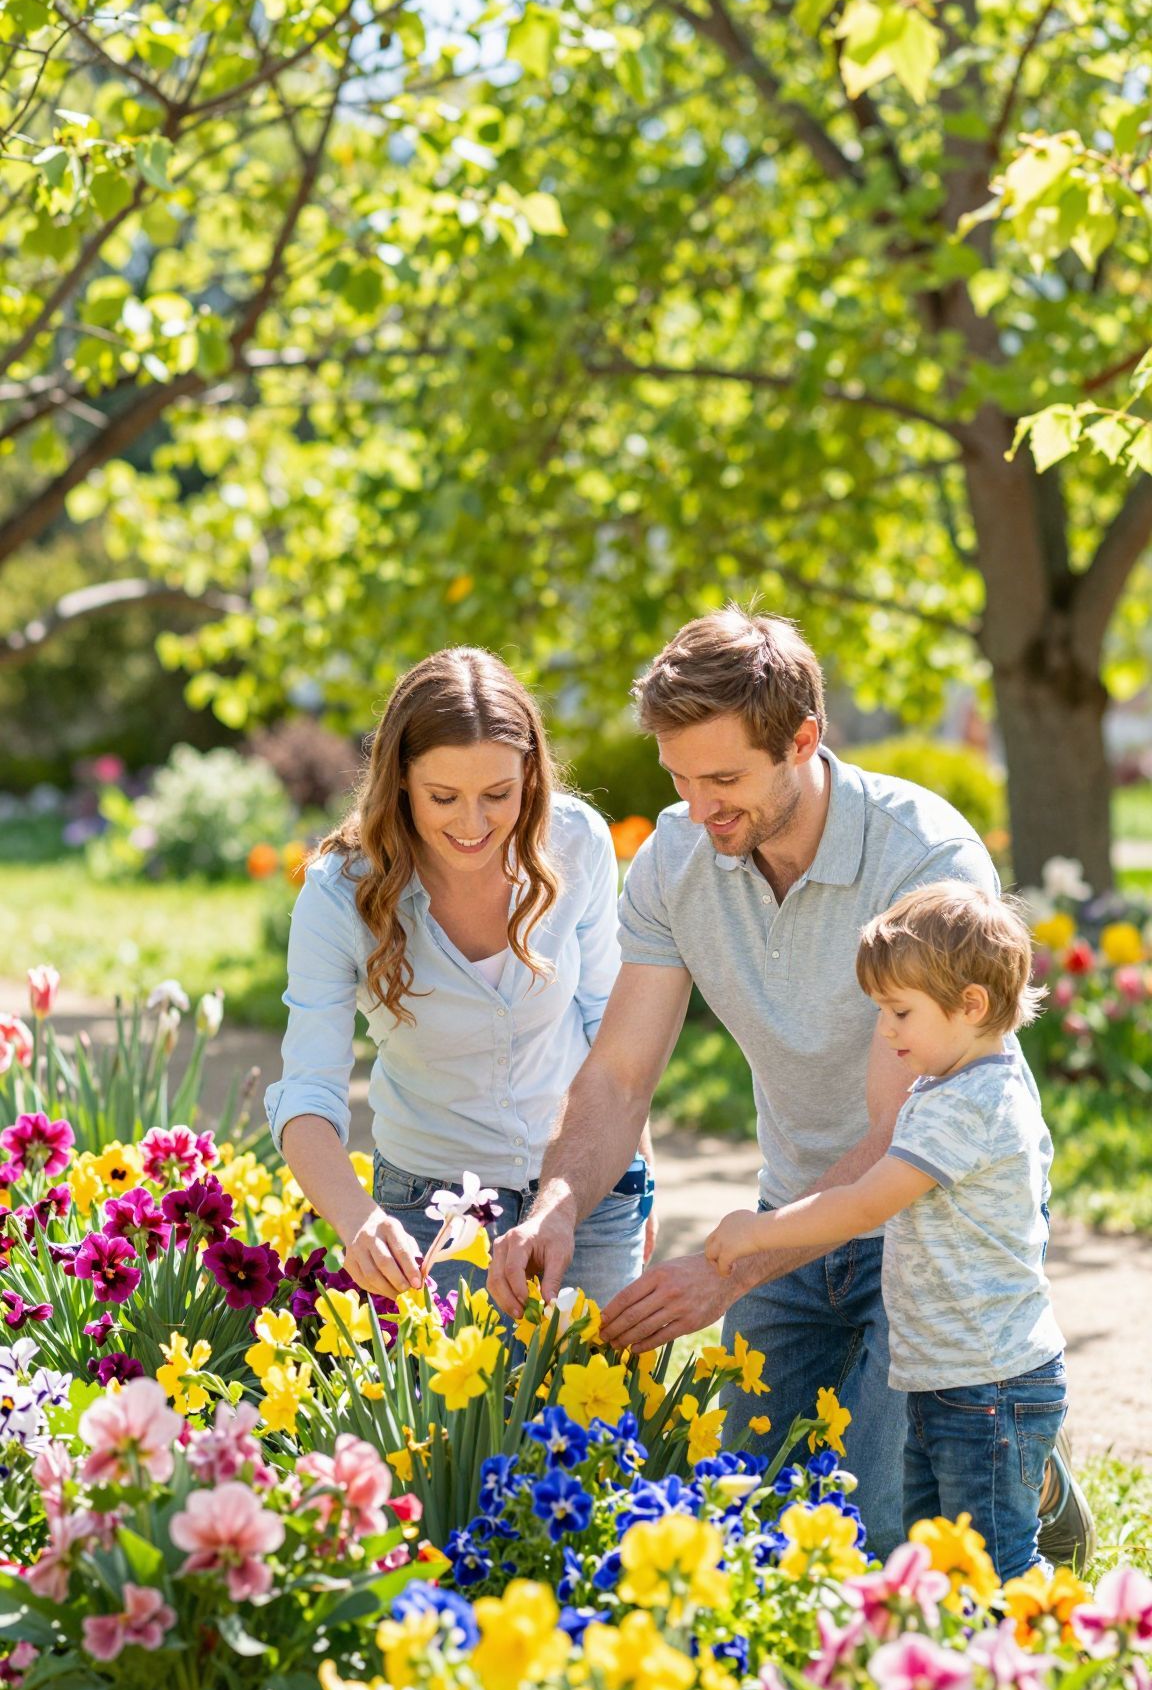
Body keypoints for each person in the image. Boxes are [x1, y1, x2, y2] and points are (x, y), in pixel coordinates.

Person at [489, 606, 1093, 1565]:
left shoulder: (923, 860)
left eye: (725, 779)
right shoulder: (680, 859)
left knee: (889, 1533)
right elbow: (618, 1073)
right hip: (793, 1209)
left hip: (921, 1231)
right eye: (679, 779)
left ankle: (1027, 1460)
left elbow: (902, 1140)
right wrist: (555, 1208)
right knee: (745, 1516)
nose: (698, 809)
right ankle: (1007, 1453)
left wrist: (731, 1267)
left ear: (803, 740)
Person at [265, 646, 655, 1307]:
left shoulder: (579, 843)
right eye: (443, 797)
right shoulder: (339, 895)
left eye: (498, 795)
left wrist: (639, 1177)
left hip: (583, 1191)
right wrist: (358, 1219)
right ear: (401, 783)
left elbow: (609, 1031)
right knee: (449, 1413)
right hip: (428, 1213)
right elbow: (306, 1094)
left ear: (531, 776)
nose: (473, 825)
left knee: (595, 1409)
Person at [706, 883, 1067, 1580]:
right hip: (951, 1375)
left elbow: (867, 1205)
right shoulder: (951, 1084)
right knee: (937, 1558)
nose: (886, 1031)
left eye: (900, 1012)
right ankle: (959, 1665)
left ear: (972, 1005)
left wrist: (761, 1233)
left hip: (988, 1387)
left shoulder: (969, 1104)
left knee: (992, 1565)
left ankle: (1037, 1666)